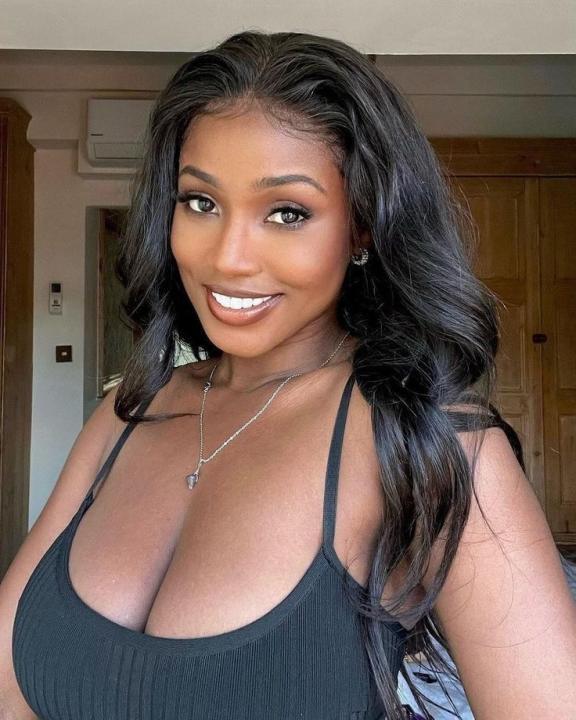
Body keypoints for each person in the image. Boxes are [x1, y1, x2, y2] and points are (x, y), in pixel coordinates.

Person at [1, 30, 575, 720]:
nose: (229, 258)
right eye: (201, 202)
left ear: (362, 228)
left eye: (287, 213)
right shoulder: (129, 411)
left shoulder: (431, 444)